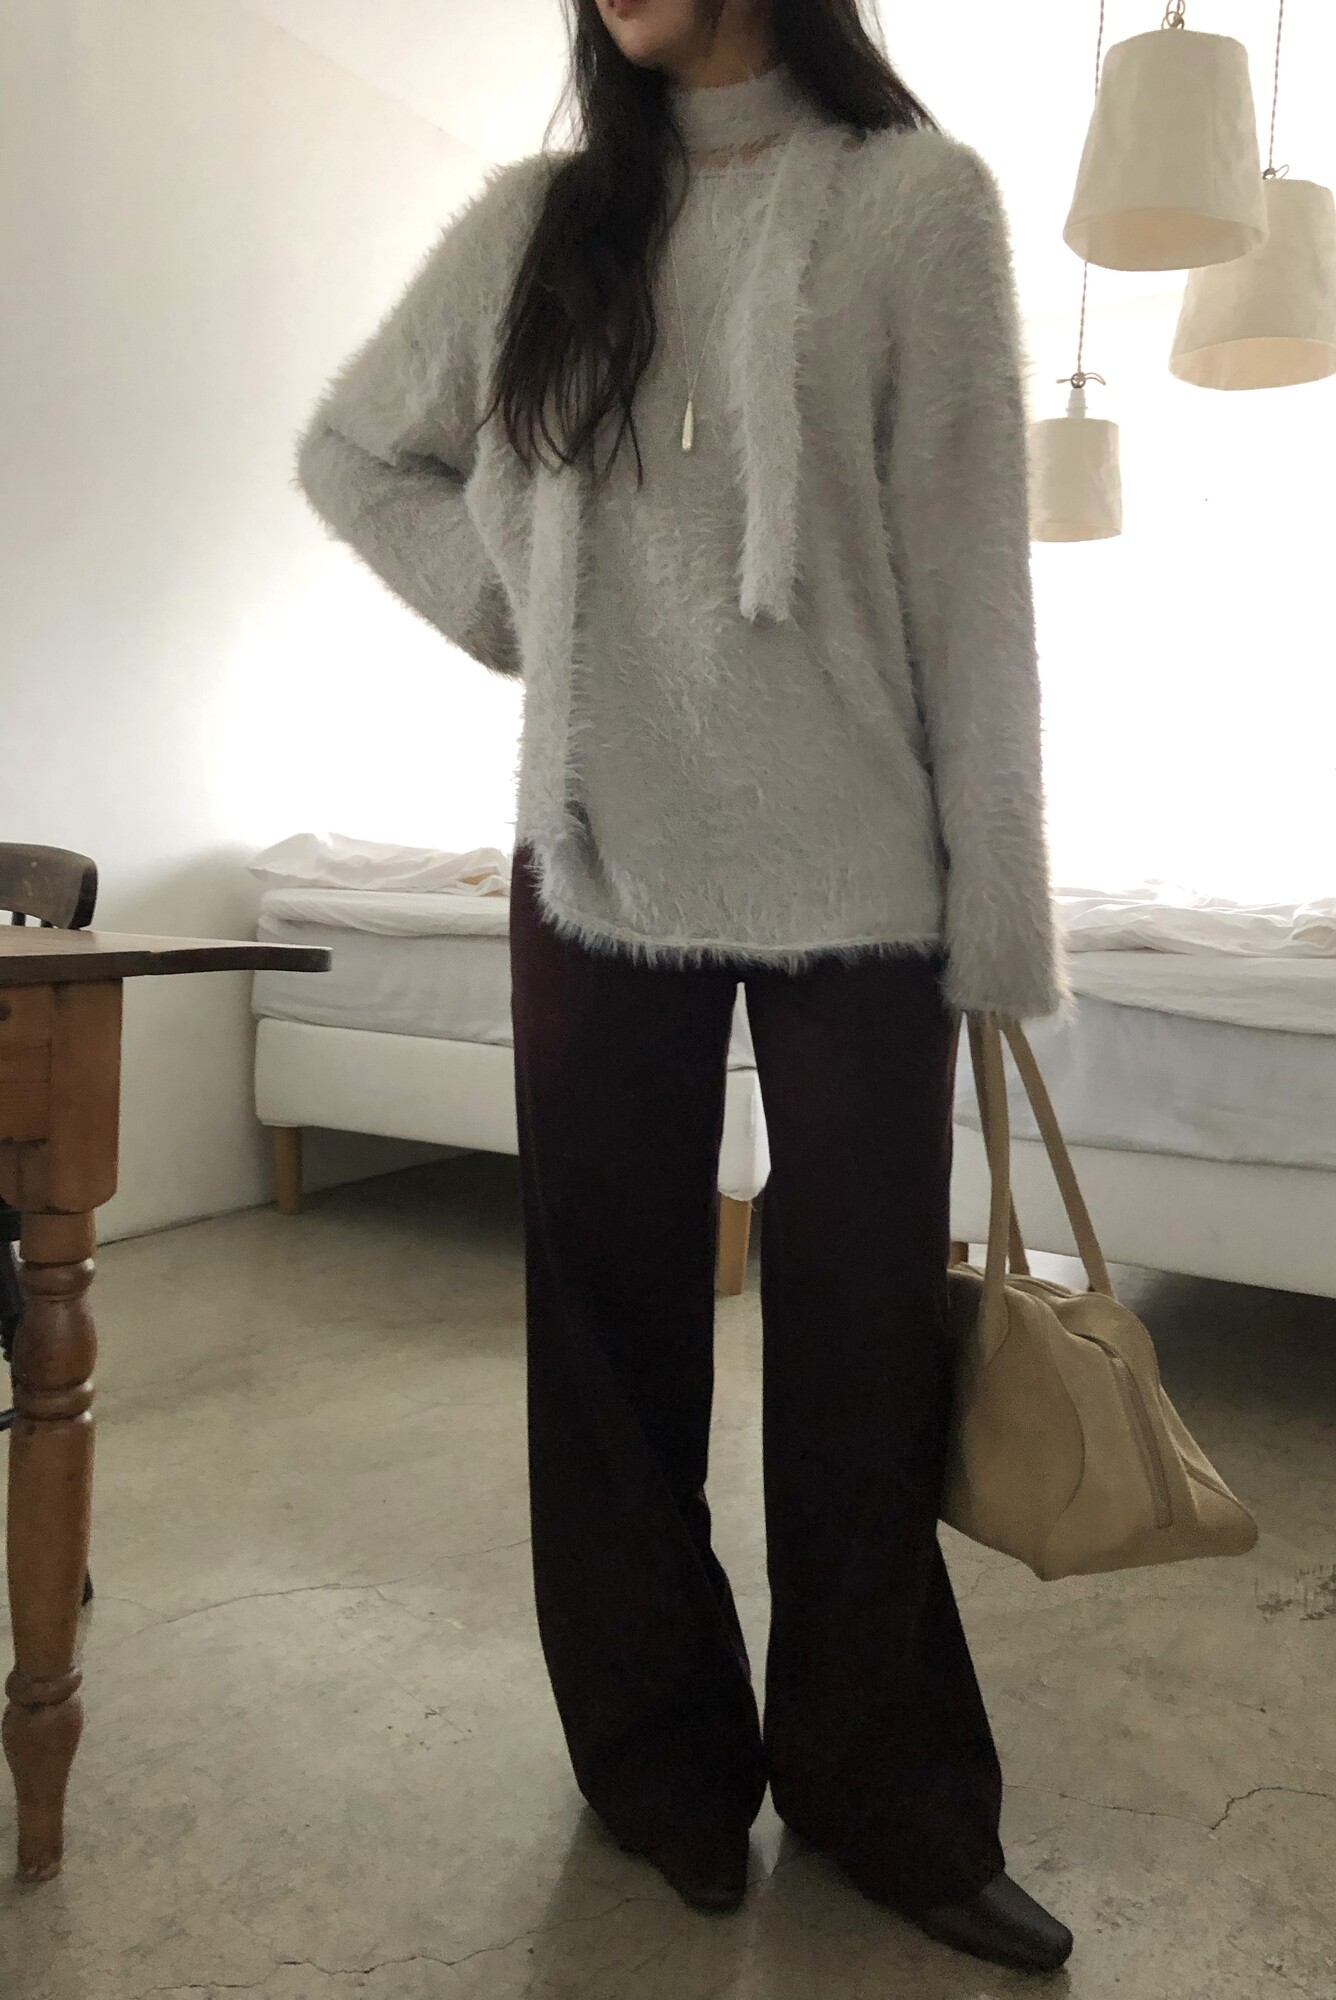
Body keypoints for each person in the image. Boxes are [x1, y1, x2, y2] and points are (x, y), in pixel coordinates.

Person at [297, 0, 1071, 1972]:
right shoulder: (535, 223)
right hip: (597, 858)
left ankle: (883, 1789)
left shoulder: (920, 203)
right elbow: (354, 451)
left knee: (865, 1338)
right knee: (608, 1327)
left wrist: (999, 907)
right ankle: (659, 1767)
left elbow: (973, 580)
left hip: (863, 872)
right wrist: (522, 605)